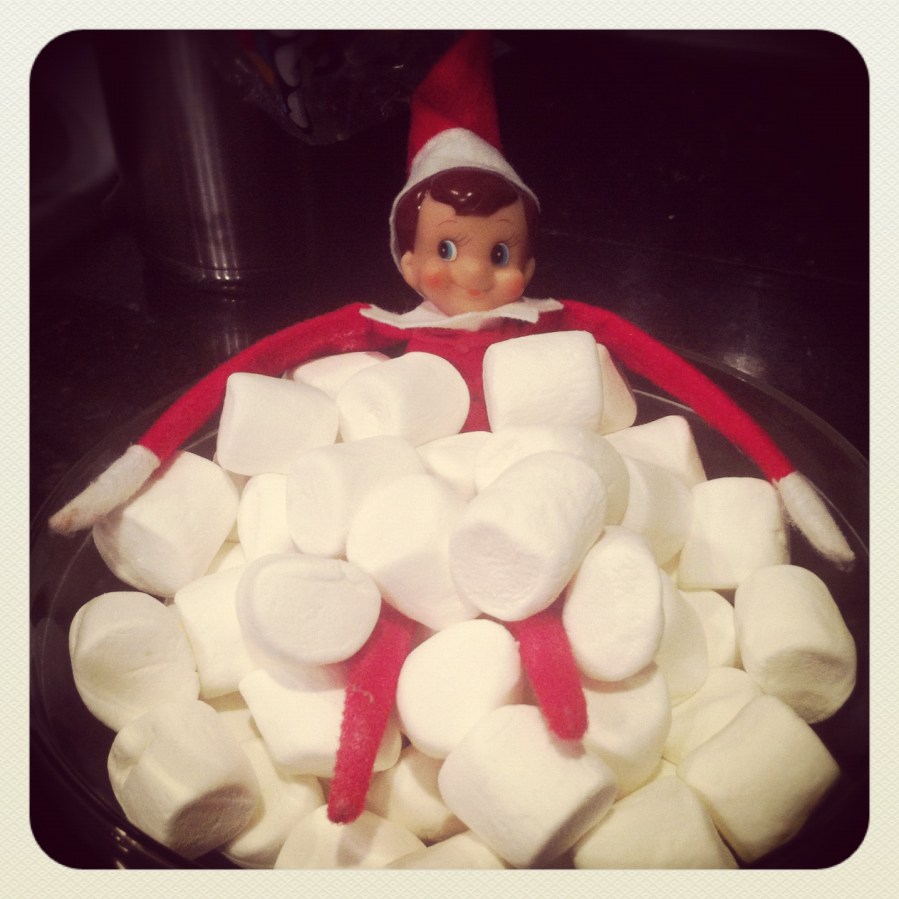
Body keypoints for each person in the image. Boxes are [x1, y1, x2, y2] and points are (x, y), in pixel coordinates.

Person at [48, 32, 854, 824]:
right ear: (406, 259)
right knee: (410, 616)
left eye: (498, 252)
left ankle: (553, 717)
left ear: (526, 262)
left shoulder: (552, 338)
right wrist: (136, 463)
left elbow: (676, 382)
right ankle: (357, 779)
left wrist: (787, 478)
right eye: (446, 247)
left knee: (529, 594)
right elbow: (251, 368)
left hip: (514, 505)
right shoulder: (382, 341)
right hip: (444, 511)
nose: (471, 270)